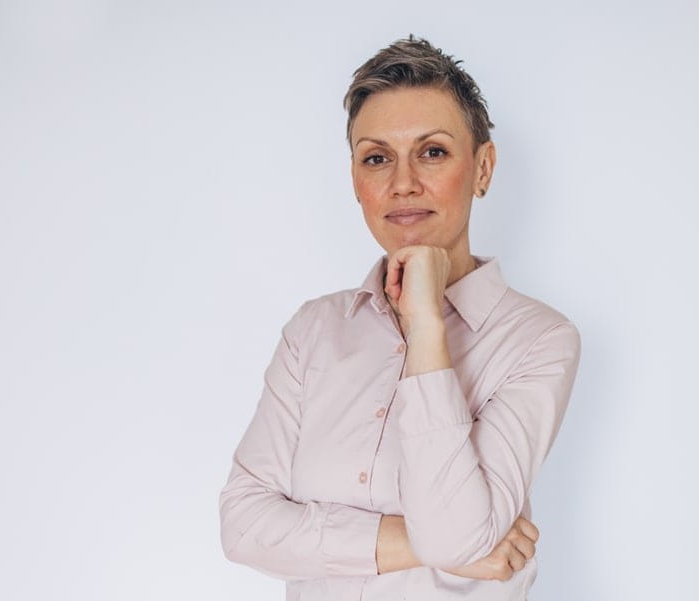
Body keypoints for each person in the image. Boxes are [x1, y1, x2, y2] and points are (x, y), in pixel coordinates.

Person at [218, 34, 582, 601]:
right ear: (355, 179)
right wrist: (427, 545)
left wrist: (427, 325)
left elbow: (455, 535)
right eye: (377, 157)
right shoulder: (313, 332)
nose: (403, 183)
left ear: (483, 168)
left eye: (432, 151)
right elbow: (242, 526)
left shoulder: (539, 340)